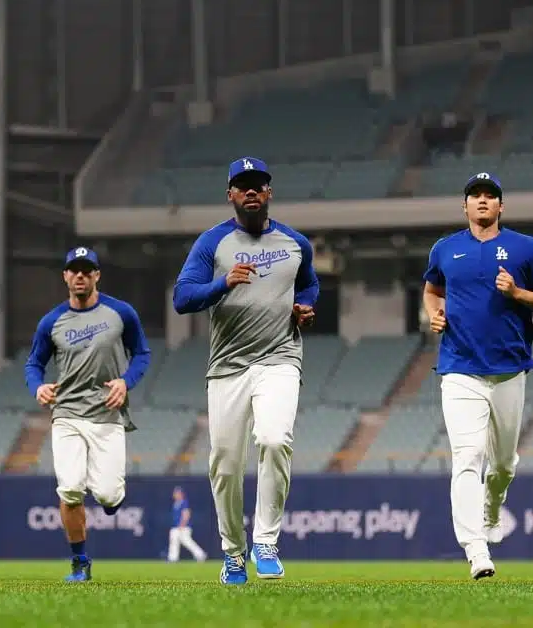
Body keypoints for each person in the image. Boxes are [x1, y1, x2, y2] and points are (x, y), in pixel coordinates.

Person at [173, 157, 319, 585]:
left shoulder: (295, 243)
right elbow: (182, 298)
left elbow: (308, 282)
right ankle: (233, 554)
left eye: (258, 184)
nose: (251, 190)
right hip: (228, 367)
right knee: (225, 464)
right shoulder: (212, 243)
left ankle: (266, 542)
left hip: (280, 359)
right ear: (231, 194)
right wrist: (223, 284)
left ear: (269, 192)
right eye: (242, 184)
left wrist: (306, 306)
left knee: (274, 440)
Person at [423, 172, 533, 580]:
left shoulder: (525, 248)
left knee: (502, 464)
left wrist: (520, 294)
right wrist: (434, 312)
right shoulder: (445, 249)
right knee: (467, 457)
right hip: (459, 369)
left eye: (490, 196)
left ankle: (491, 508)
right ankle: (476, 550)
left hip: (509, 371)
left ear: (501, 206)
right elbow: (432, 290)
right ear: (464, 206)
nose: (482, 201)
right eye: (475, 196)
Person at [24, 247, 151, 583]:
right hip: (66, 414)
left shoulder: (120, 313)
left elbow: (142, 354)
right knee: (69, 489)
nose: (80, 275)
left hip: (107, 414)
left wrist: (126, 382)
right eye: (73, 270)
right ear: (65, 276)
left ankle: (110, 498)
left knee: (109, 495)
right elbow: (33, 364)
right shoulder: (52, 321)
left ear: (97, 275)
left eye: (87, 270)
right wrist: (37, 386)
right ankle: (80, 562)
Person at [167, 486, 207, 563]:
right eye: (175, 493)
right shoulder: (175, 503)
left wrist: (182, 525)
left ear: (181, 494)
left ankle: (201, 555)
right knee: (174, 541)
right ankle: (173, 558)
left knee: (187, 542)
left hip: (183, 527)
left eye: (177, 493)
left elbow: (186, 514)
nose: (175, 495)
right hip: (176, 527)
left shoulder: (184, 502)